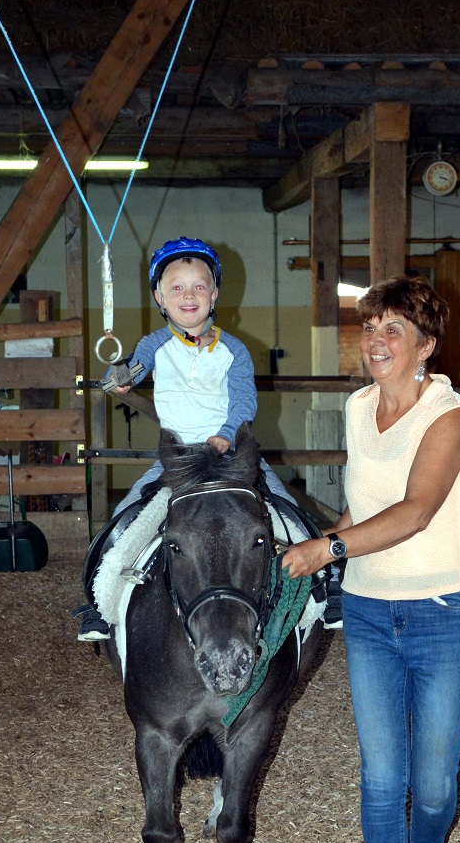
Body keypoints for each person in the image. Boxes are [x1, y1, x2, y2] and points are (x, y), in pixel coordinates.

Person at [281, 275, 460, 843]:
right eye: (369, 326)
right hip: (370, 615)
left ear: (425, 346)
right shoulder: (356, 407)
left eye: (392, 329)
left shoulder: (450, 416)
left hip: (448, 614)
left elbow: (416, 512)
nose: (374, 340)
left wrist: (327, 550)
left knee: (431, 788)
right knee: (381, 778)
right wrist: (316, 543)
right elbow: (363, 507)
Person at [76, 237, 298, 642]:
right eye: (176, 287)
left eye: (199, 286)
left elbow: (244, 400)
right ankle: (98, 604)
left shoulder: (235, 351)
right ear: (160, 297)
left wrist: (228, 435)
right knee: (122, 521)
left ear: (213, 294)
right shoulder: (154, 345)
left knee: (290, 512)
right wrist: (119, 377)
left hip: (232, 455)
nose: (188, 295)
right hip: (177, 459)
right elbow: (133, 369)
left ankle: (329, 585)